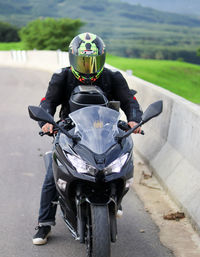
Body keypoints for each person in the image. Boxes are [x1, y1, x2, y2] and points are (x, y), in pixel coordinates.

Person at [33, 32, 143, 245]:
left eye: (93, 62)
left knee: (117, 166)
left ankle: (115, 199)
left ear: (101, 59)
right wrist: (46, 123)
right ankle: (44, 224)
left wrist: (133, 121)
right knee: (53, 175)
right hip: (71, 132)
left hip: (106, 132)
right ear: (73, 59)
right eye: (83, 61)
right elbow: (47, 103)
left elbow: (130, 101)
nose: (88, 67)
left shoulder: (113, 77)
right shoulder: (62, 77)